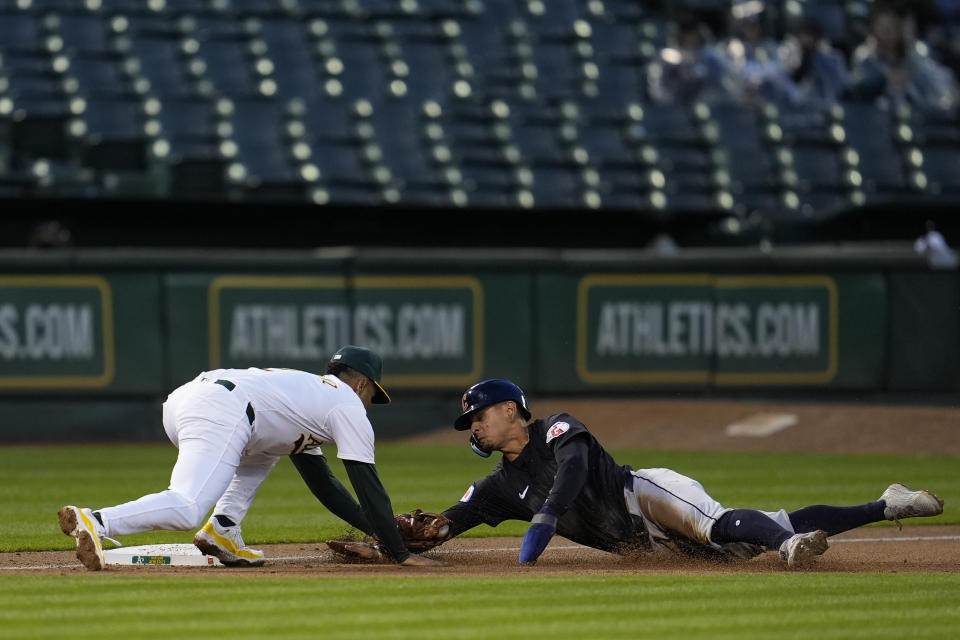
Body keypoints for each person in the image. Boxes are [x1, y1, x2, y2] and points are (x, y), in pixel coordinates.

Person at [433, 379, 944, 567]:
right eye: (469, 424)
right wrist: (407, 537)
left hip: (645, 494)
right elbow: (453, 519)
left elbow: (575, 466)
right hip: (647, 545)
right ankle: (888, 504)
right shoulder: (499, 486)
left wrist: (546, 515)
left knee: (718, 525)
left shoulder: (558, 426)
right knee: (767, 527)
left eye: (478, 417)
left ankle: (789, 550)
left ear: (507, 410)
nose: (473, 428)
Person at [58, 345, 442, 570]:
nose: (370, 404)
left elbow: (325, 485)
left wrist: (377, 529)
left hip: (194, 401)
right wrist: (399, 550)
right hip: (222, 408)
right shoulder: (348, 405)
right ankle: (96, 520)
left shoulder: (308, 398)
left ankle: (223, 529)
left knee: (268, 448)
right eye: (373, 395)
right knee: (189, 505)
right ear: (361, 384)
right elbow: (366, 484)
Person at [848, 3, 959, 111]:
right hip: (874, 116)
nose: (887, 33)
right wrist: (885, 80)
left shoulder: (916, 55)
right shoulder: (865, 55)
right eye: (883, 27)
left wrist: (909, 55)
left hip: (913, 118)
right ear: (873, 29)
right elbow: (857, 88)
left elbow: (936, 93)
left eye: (892, 28)